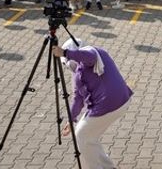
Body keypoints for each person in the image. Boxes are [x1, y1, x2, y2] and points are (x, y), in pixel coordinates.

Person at [52, 38, 133, 169]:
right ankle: (107, 167)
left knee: (82, 135)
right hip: (122, 101)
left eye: (66, 62)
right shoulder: (78, 73)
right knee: (89, 137)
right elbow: (78, 98)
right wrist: (71, 119)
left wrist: (65, 53)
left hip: (108, 105)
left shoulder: (93, 53)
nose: (68, 65)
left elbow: (88, 56)